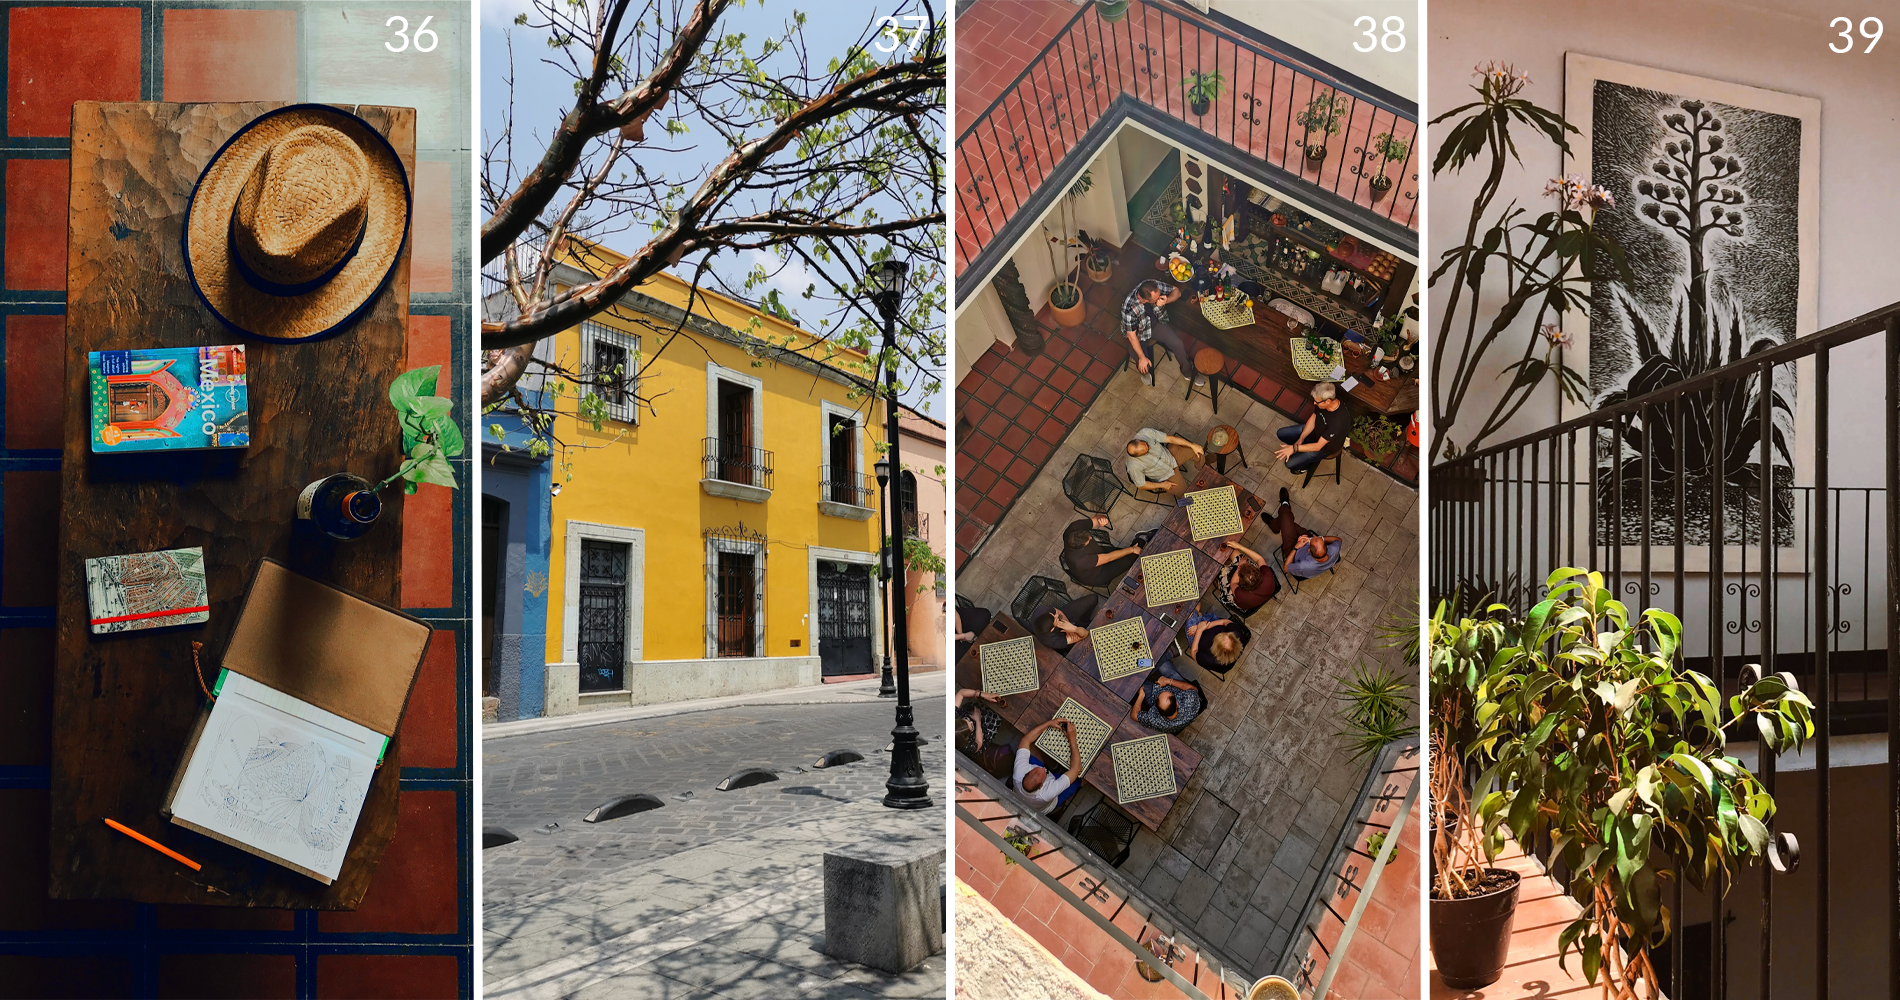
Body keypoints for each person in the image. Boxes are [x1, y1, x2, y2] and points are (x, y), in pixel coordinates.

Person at [1120, 279, 1201, 384]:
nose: (1159, 297)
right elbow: (1131, 336)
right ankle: (1145, 374)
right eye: (1156, 299)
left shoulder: (1152, 286)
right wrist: (1142, 357)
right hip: (1137, 333)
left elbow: (1177, 292)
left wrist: (1167, 300)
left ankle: (1188, 372)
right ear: (1145, 300)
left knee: (1178, 344)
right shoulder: (1128, 309)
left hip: (1154, 325)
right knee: (1142, 362)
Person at [1264, 487, 1342, 579]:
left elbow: (1285, 568)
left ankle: (1282, 510)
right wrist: (1312, 539)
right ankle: (1279, 518)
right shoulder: (1334, 549)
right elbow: (1338, 539)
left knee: (1285, 518)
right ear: (1327, 546)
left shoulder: (1304, 566)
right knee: (1286, 521)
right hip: (1304, 539)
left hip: (1293, 550)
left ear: (1309, 550)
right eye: (1317, 537)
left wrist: (1297, 547)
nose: (1313, 536)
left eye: (1313, 538)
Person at [1274, 381, 1353, 473]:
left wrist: (1294, 448)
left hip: (1323, 448)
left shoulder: (1338, 422)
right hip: (1315, 433)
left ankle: (1304, 467)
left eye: (1317, 401)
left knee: (1289, 464)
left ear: (1327, 401)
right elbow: (1314, 417)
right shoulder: (1324, 403)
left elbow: (1318, 446)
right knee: (1281, 433)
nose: (1315, 403)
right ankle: (1301, 449)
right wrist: (1301, 438)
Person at [1061, 514, 1155, 588]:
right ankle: (1141, 538)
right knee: (1131, 557)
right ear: (1081, 547)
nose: (1090, 537)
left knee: (1125, 553)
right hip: (1096, 574)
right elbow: (1109, 558)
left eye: (1088, 534)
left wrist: (1102, 519)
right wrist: (1132, 549)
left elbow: (1097, 518)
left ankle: (1139, 544)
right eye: (1088, 540)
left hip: (1097, 553)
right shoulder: (1080, 561)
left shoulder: (1074, 527)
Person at [1013, 717, 1082, 814]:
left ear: (1026, 773)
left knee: (1031, 746)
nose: (1044, 768)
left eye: (1037, 769)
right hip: (1051, 801)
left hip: (1031, 791)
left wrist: (1049, 723)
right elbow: (1076, 769)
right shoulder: (1047, 793)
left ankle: (1054, 767)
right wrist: (1072, 739)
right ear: (1041, 786)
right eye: (1044, 771)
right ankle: (1057, 770)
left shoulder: (1019, 773)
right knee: (1082, 776)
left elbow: (1025, 740)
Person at [1124, 427, 1204, 498]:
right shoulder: (1133, 466)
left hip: (1171, 456)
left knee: (1198, 451)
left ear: (1137, 440)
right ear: (1138, 456)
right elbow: (1141, 485)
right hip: (1166, 475)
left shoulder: (1145, 433)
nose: (1149, 447)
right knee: (1187, 495)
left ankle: (1203, 468)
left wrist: (1192, 445)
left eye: (1146, 444)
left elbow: (1170, 439)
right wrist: (1162, 485)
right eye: (1146, 451)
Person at [1130, 659, 1204, 735]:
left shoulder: (1157, 720)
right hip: (1174, 685)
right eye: (1169, 693)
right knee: (1159, 661)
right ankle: (1141, 661)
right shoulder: (1190, 701)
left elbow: (1134, 716)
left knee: (1135, 680)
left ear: (1156, 710)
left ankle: (1134, 664)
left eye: (1159, 697)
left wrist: (1141, 696)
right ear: (1177, 704)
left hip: (1153, 694)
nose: (1161, 689)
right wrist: (1168, 681)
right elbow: (1193, 689)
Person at [1185, 600, 1251, 675]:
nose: (1220, 633)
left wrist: (1199, 630)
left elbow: (1194, 652)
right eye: (1223, 633)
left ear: (1214, 648)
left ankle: (1198, 615)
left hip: (1197, 640)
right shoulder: (1238, 635)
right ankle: (1198, 615)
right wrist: (1206, 626)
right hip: (1210, 623)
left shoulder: (1208, 660)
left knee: (1190, 613)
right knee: (1193, 611)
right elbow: (1225, 622)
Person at [1215, 539, 1278, 615]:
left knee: (1217, 569)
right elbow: (1259, 559)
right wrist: (1239, 547)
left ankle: (1218, 581)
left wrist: (1240, 566)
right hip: (1259, 596)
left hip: (1235, 597)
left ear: (1242, 585)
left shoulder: (1242, 595)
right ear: (1257, 572)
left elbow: (1233, 583)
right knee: (1232, 550)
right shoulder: (1267, 575)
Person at [1032, 593, 1101, 654]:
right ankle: (1086, 623)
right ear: (1052, 629)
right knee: (1094, 632)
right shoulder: (1053, 641)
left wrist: (1068, 623)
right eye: (1056, 620)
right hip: (1065, 635)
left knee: (1093, 598)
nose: (1056, 616)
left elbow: (1058, 612)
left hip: (1066, 615)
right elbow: (1085, 634)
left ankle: (1086, 620)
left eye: (1053, 615)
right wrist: (1074, 629)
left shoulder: (1041, 611)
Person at [955, 688, 1005, 754]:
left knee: (982, 702)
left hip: (971, 713)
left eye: (966, 720)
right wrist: (978, 721)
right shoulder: (967, 747)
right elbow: (979, 743)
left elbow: (961, 693)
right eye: (971, 725)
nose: (971, 722)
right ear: (967, 738)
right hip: (981, 732)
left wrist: (981, 694)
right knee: (999, 713)